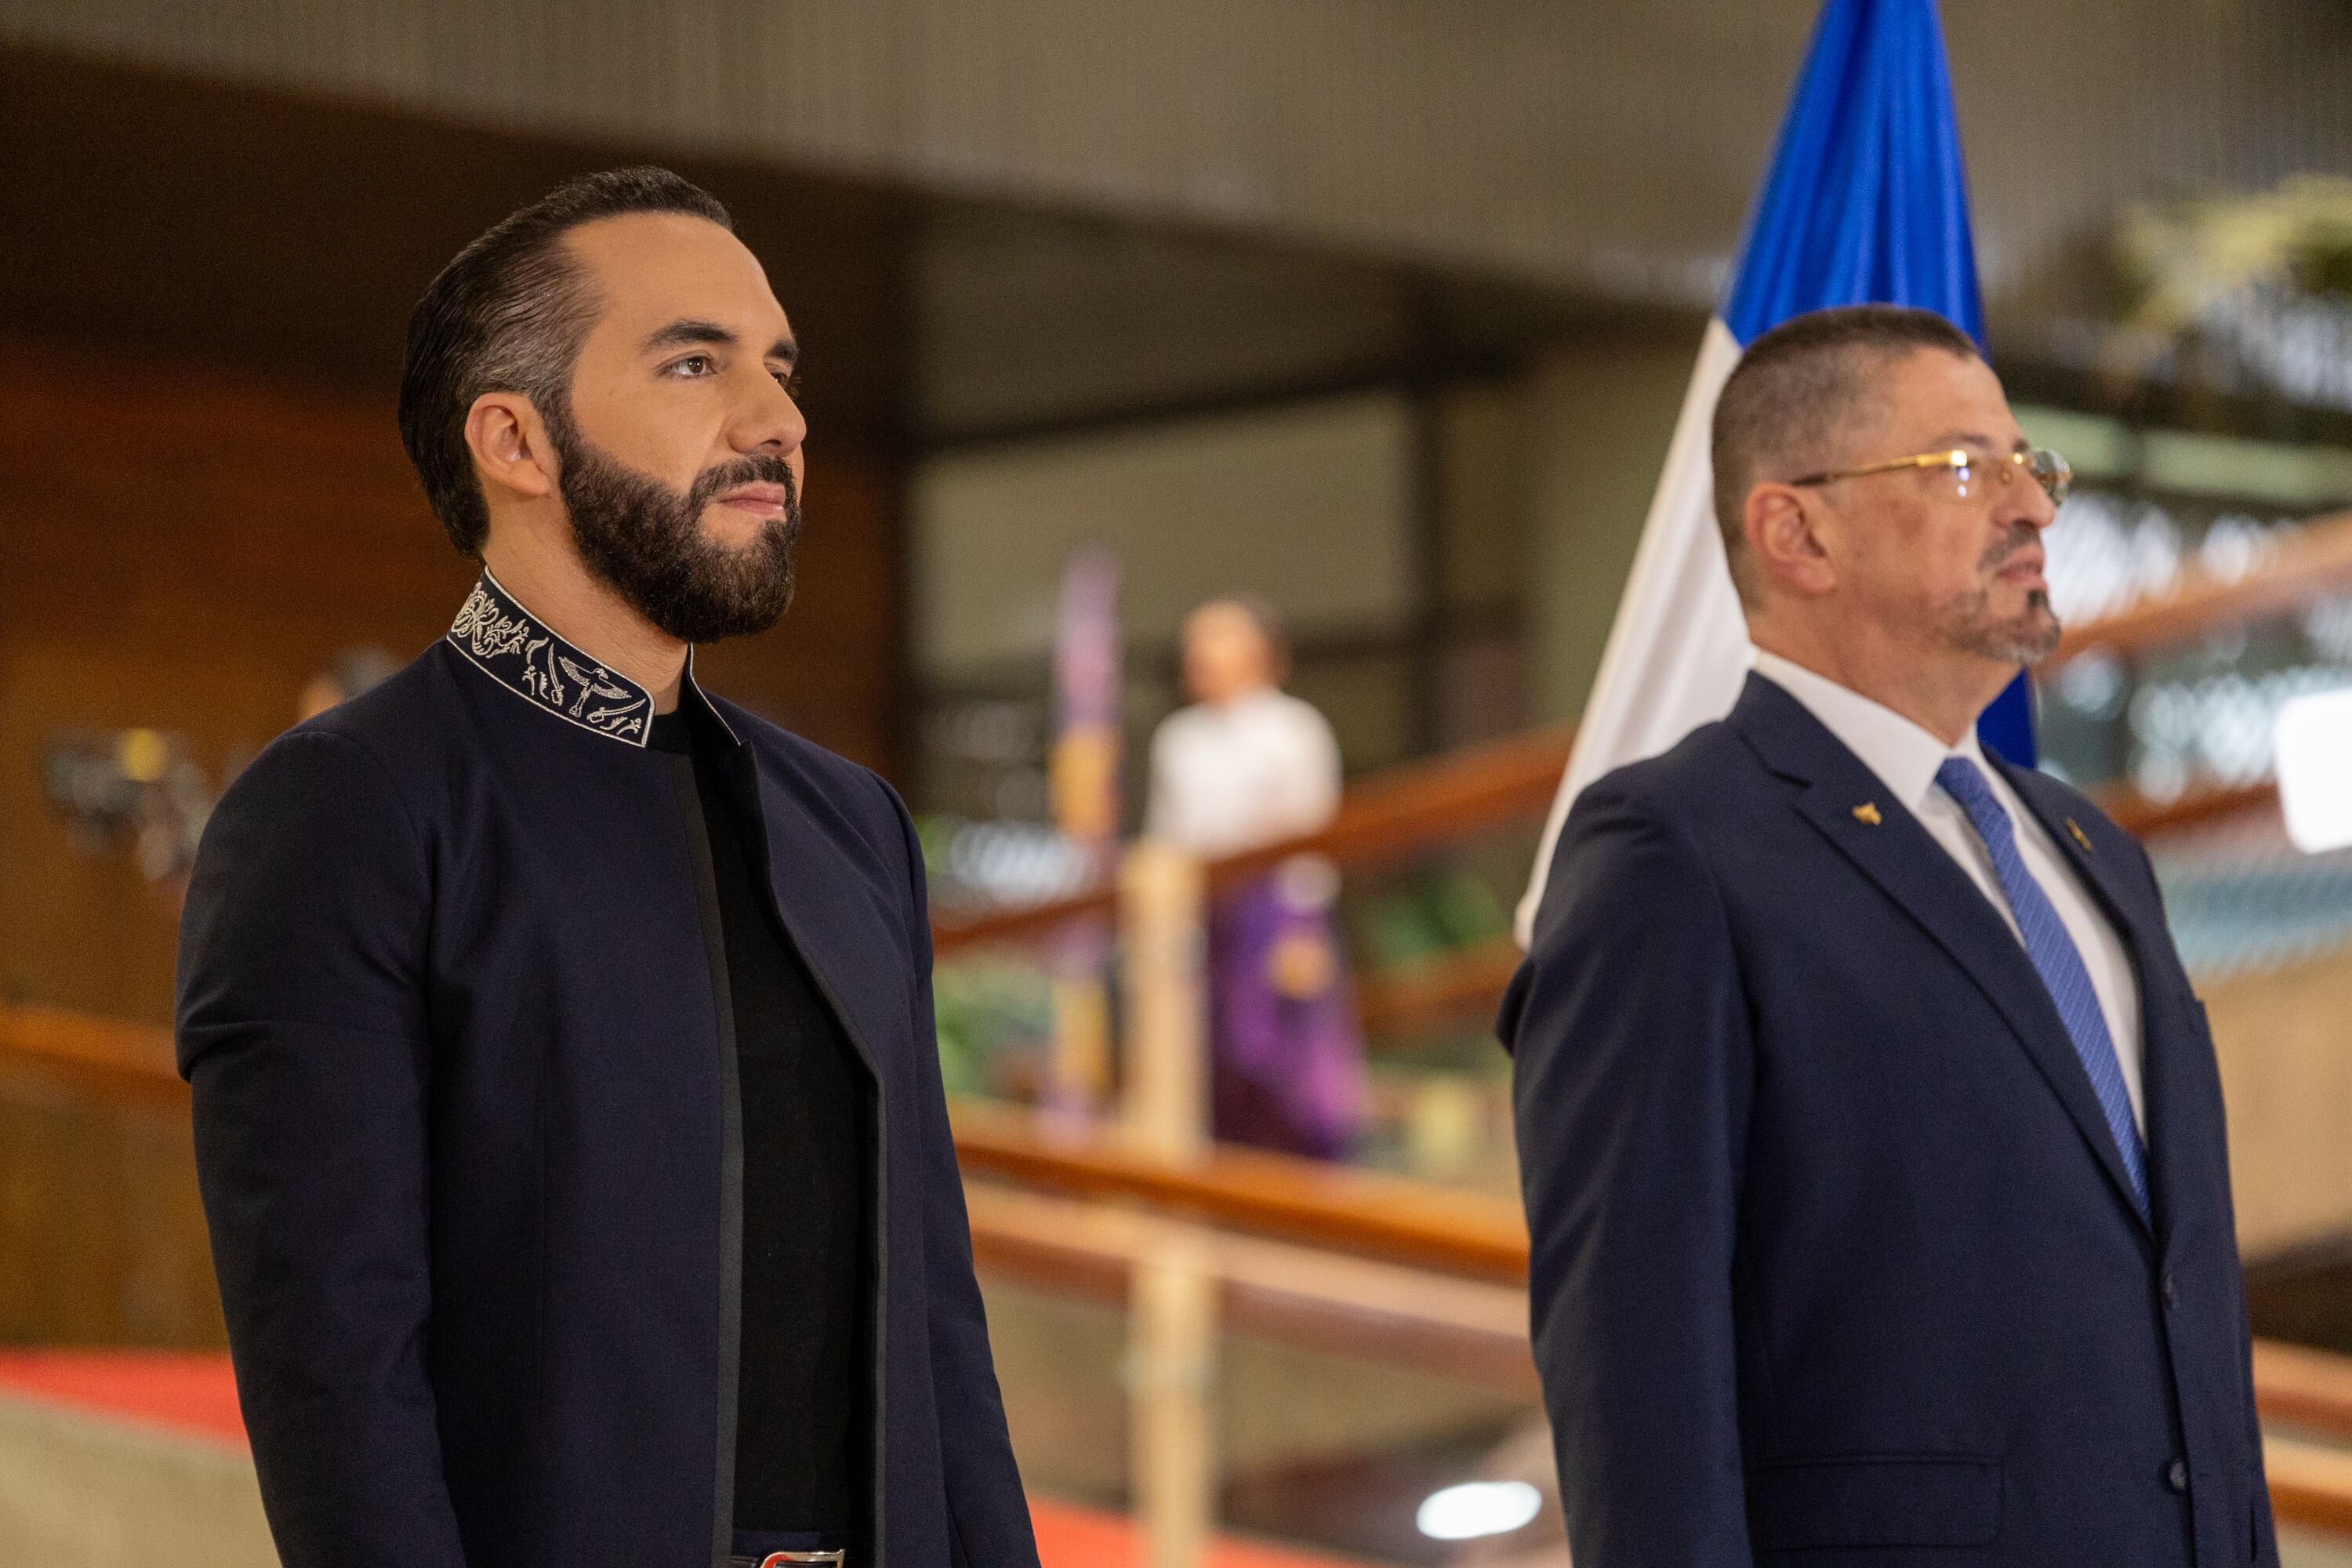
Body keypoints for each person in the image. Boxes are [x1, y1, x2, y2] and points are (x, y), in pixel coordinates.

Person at [176, 169, 1038, 1568]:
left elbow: (940, 1336)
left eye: (780, 369)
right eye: (695, 362)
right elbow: (340, 1390)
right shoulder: (345, 815)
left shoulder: (852, 825)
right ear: (516, 439)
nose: (778, 422)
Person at [1502, 305, 2275, 1566]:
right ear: (1795, 529)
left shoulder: (2094, 855)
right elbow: (1636, 1379)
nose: (2033, 506)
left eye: (2035, 465)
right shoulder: (1674, 854)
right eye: (1969, 467)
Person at [1146, 598, 1367, 1158]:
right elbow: (1167, 833)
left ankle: (1308, 1186)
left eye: (1215, 642)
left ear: (1258, 653)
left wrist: (1302, 926)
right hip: (1203, 909)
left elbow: (1312, 835)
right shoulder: (1178, 738)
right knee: (1213, 1054)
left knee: (1283, 1054)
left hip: (1276, 909)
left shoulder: (1294, 729)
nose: (1200, 657)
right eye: (1195, 645)